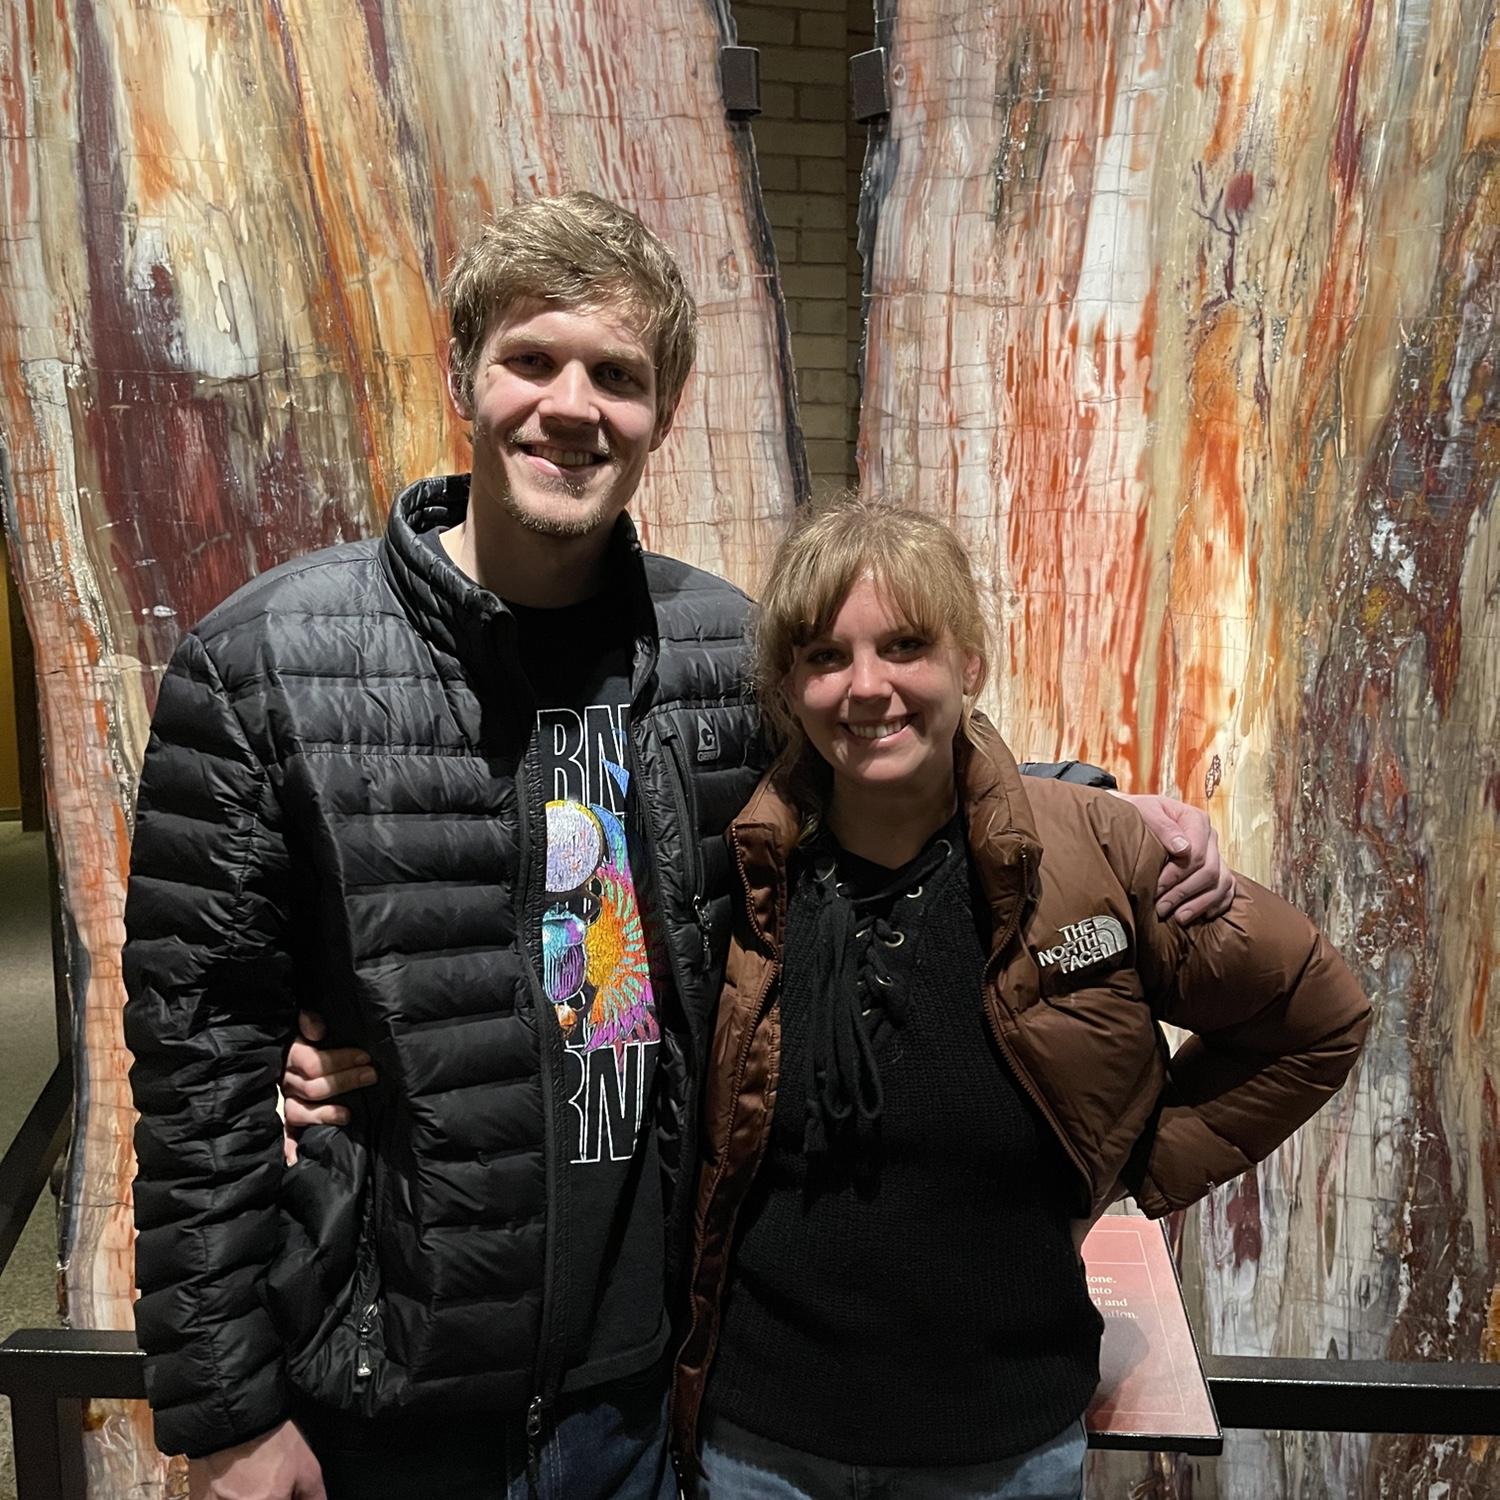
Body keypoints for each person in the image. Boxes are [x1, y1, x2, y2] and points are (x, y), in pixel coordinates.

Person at [124, 193, 1231, 1500]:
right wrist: (228, 1415)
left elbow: (887, 772)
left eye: (619, 375)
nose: (572, 403)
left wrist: (1098, 806)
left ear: (662, 413)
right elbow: (198, 1058)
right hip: (393, 1399)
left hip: (649, 1397)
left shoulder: (715, 653)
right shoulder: (267, 667)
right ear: (462, 377)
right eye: (531, 359)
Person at [662, 497, 1370, 1498]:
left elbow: (1318, 1018)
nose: (868, 687)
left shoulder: (1096, 850)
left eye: (905, 644)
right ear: (788, 686)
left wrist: (1121, 1166)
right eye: (826, 656)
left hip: (1002, 1452)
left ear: (970, 663)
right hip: (764, 1450)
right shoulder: (740, 871)